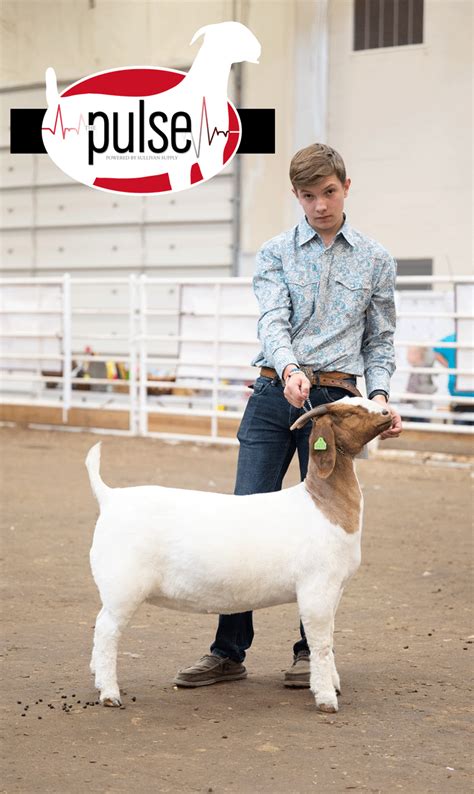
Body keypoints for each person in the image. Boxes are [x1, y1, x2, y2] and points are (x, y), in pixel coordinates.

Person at [174, 143, 402, 689]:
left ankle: (309, 654)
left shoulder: (376, 260)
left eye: (328, 192)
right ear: (295, 196)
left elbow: (381, 339)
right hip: (277, 393)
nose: (320, 204)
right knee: (244, 517)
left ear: (347, 186)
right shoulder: (276, 252)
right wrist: (291, 366)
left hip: (337, 410)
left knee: (322, 529)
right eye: (308, 195)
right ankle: (228, 651)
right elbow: (272, 320)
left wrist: (380, 396)